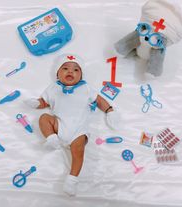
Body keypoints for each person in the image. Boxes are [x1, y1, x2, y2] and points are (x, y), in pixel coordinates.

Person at [24, 54, 119, 196]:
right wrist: (37, 103)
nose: (70, 72)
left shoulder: (86, 88)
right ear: (58, 73)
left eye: (76, 70)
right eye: (65, 68)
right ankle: (51, 139)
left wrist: (109, 110)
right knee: (44, 118)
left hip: (78, 130)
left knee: (78, 153)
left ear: (81, 75)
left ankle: (72, 179)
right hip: (59, 124)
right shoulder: (53, 88)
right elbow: (45, 102)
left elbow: (99, 100)